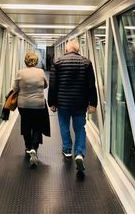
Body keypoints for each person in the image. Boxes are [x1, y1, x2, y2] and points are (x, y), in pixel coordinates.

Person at [48, 38, 97, 172]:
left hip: (63, 102)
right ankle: (80, 153)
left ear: (66, 49)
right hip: (80, 103)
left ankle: (67, 150)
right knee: (80, 128)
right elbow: (91, 85)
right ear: (78, 49)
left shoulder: (57, 62)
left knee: (64, 126)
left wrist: (51, 102)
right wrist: (93, 103)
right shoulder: (86, 62)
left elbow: (53, 85)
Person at [12, 52, 50, 167]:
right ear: (36, 61)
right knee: (37, 126)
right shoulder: (40, 72)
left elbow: (15, 88)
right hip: (38, 105)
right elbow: (45, 85)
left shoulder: (20, 72)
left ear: (25, 61)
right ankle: (34, 147)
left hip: (23, 105)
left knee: (26, 124)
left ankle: (28, 147)